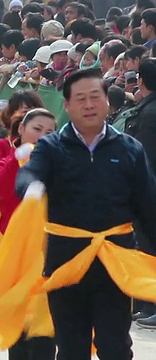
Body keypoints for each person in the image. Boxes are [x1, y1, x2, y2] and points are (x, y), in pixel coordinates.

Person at [15, 68, 156, 359]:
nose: (89, 105)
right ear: (66, 105)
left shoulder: (129, 148)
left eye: (95, 97)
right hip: (66, 261)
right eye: (80, 99)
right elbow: (29, 173)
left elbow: (149, 204)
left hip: (114, 261)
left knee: (115, 344)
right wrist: (33, 188)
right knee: (71, 347)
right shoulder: (51, 147)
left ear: (108, 102)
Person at [0, 108, 57, 360]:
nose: (41, 136)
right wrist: (16, 160)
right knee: (17, 321)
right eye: (36, 129)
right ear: (21, 129)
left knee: (43, 323)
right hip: (14, 254)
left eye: (49, 132)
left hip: (48, 252)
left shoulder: (59, 164)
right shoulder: (7, 160)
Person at [123, 57, 156, 329]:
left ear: (141, 81)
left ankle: (150, 303)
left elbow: (145, 156)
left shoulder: (148, 113)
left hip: (149, 189)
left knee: (146, 246)